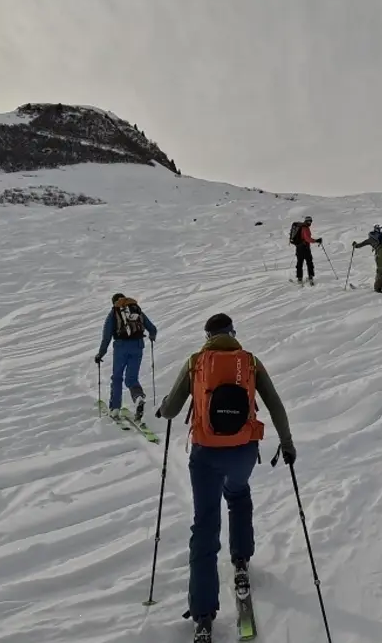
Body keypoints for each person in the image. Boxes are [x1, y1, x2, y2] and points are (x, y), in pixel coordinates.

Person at [155, 313, 297, 640]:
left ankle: (203, 616)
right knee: (238, 495)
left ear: (207, 336)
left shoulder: (196, 362)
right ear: (232, 333)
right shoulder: (249, 361)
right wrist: (287, 444)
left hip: (206, 454)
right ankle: (241, 561)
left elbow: (174, 408)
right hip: (243, 451)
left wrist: (163, 407)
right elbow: (274, 405)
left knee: (205, 524)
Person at [95, 293, 158, 419]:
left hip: (121, 348)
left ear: (114, 302)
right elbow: (152, 328)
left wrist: (100, 354)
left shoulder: (114, 312)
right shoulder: (136, 310)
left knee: (117, 377)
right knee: (131, 378)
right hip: (138, 346)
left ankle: (115, 408)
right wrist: (152, 337)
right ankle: (138, 398)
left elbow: (106, 336)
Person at [288, 215, 323, 285]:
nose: (310, 223)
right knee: (309, 262)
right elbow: (307, 239)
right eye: (309, 221)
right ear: (306, 221)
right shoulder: (305, 228)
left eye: (311, 221)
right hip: (305, 248)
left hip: (299, 248)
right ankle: (310, 277)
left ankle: (299, 278)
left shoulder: (301, 227)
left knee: (299, 263)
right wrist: (316, 241)